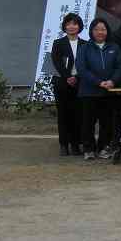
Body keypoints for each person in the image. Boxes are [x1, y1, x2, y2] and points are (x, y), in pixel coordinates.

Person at [76, 18, 121, 161]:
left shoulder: (113, 47)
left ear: (107, 31)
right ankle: (88, 149)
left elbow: (119, 66)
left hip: (108, 92)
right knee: (88, 122)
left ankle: (103, 148)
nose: (100, 32)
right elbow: (82, 69)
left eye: (103, 29)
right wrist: (99, 82)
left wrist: (112, 81)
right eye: (97, 29)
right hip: (89, 91)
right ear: (91, 31)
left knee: (107, 122)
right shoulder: (84, 48)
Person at [51, 13, 85, 156]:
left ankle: (76, 144)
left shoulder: (85, 44)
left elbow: (85, 63)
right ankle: (64, 144)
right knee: (64, 115)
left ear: (79, 26)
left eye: (75, 24)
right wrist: (68, 77)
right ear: (65, 26)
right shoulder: (58, 43)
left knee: (78, 114)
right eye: (69, 24)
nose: (72, 26)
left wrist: (76, 77)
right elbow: (56, 63)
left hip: (79, 83)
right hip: (62, 84)